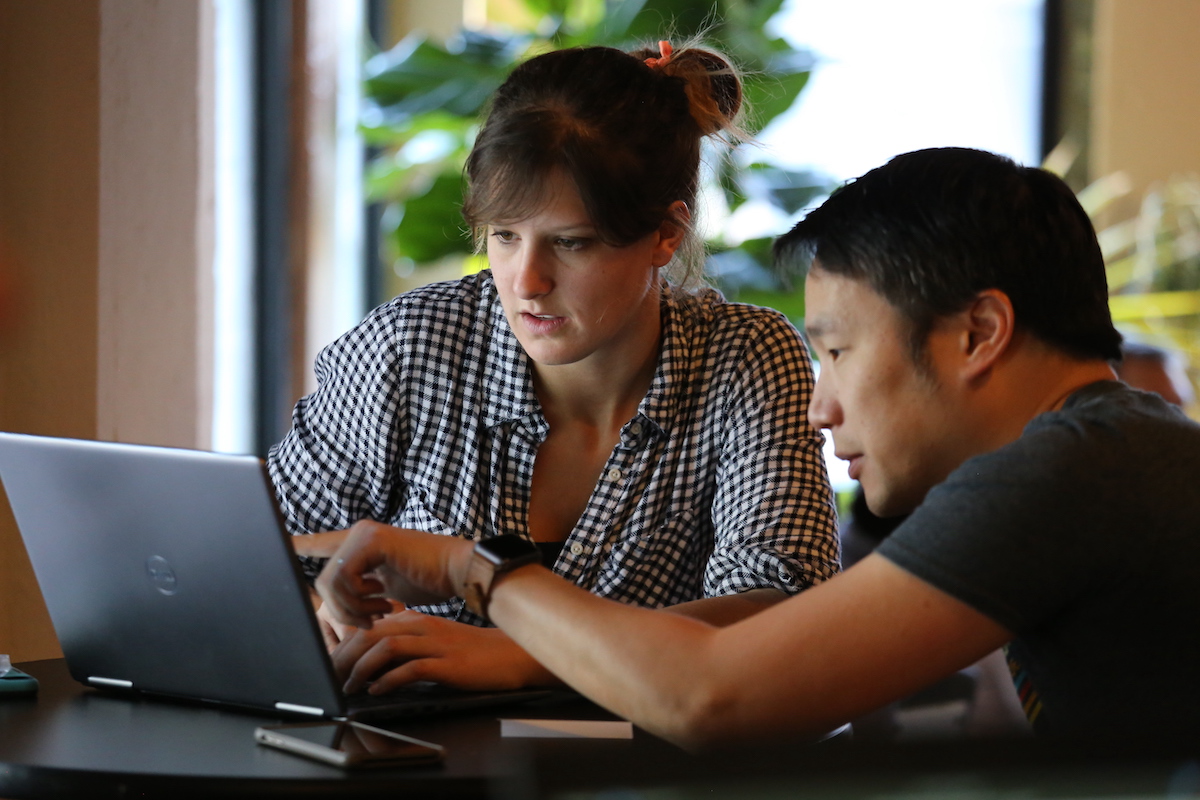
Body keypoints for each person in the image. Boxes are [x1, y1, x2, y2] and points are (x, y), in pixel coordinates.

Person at [315, 147, 1200, 747]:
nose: (819, 407)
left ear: (980, 332)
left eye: (840, 351)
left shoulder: (1067, 474)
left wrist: (476, 570)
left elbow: (711, 696)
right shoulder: (1107, 450)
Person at [268, 41, 839, 694]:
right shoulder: (410, 345)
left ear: (665, 235)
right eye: (506, 237)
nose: (526, 282)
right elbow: (269, 550)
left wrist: (515, 658)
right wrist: (324, 612)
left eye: (570, 243)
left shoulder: (745, 361)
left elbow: (779, 610)